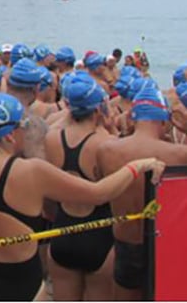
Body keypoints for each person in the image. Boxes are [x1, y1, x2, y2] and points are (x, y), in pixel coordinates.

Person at [0, 92, 164, 301]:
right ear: (11, 134)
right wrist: (137, 166)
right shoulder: (33, 172)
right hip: (23, 284)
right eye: (23, 127)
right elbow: (99, 192)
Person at [97, 86, 187, 300]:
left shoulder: (107, 150)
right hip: (166, 244)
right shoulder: (180, 154)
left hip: (127, 243)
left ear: (132, 118)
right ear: (165, 121)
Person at [44, 73, 116, 300]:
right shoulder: (108, 144)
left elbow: (49, 197)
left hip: (63, 231)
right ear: (98, 110)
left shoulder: (52, 138)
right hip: (99, 237)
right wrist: (111, 128)